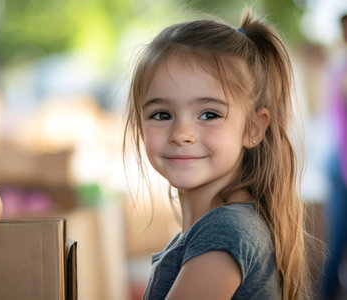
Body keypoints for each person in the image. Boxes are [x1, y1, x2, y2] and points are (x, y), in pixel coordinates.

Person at [123, 9, 317, 300]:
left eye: (209, 114)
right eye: (162, 114)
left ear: (253, 128)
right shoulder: (215, 230)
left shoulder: (224, 232)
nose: (181, 133)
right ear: (141, 127)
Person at [320, 13, 347, 300]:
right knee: (338, 238)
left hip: (337, 159)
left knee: (337, 238)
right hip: (342, 162)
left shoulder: (337, 67)